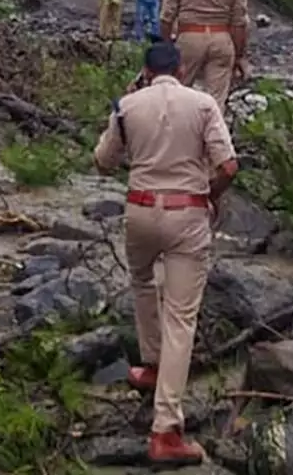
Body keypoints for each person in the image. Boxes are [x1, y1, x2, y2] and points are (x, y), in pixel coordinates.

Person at [94, 43, 239, 465]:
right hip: (186, 212)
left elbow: (103, 162)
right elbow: (228, 166)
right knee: (181, 317)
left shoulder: (127, 106)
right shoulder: (203, 104)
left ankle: (152, 364)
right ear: (180, 68)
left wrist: (125, 110)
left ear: (145, 70)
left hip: (139, 210)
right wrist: (210, 195)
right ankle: (166, 428)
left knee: (142, 282)